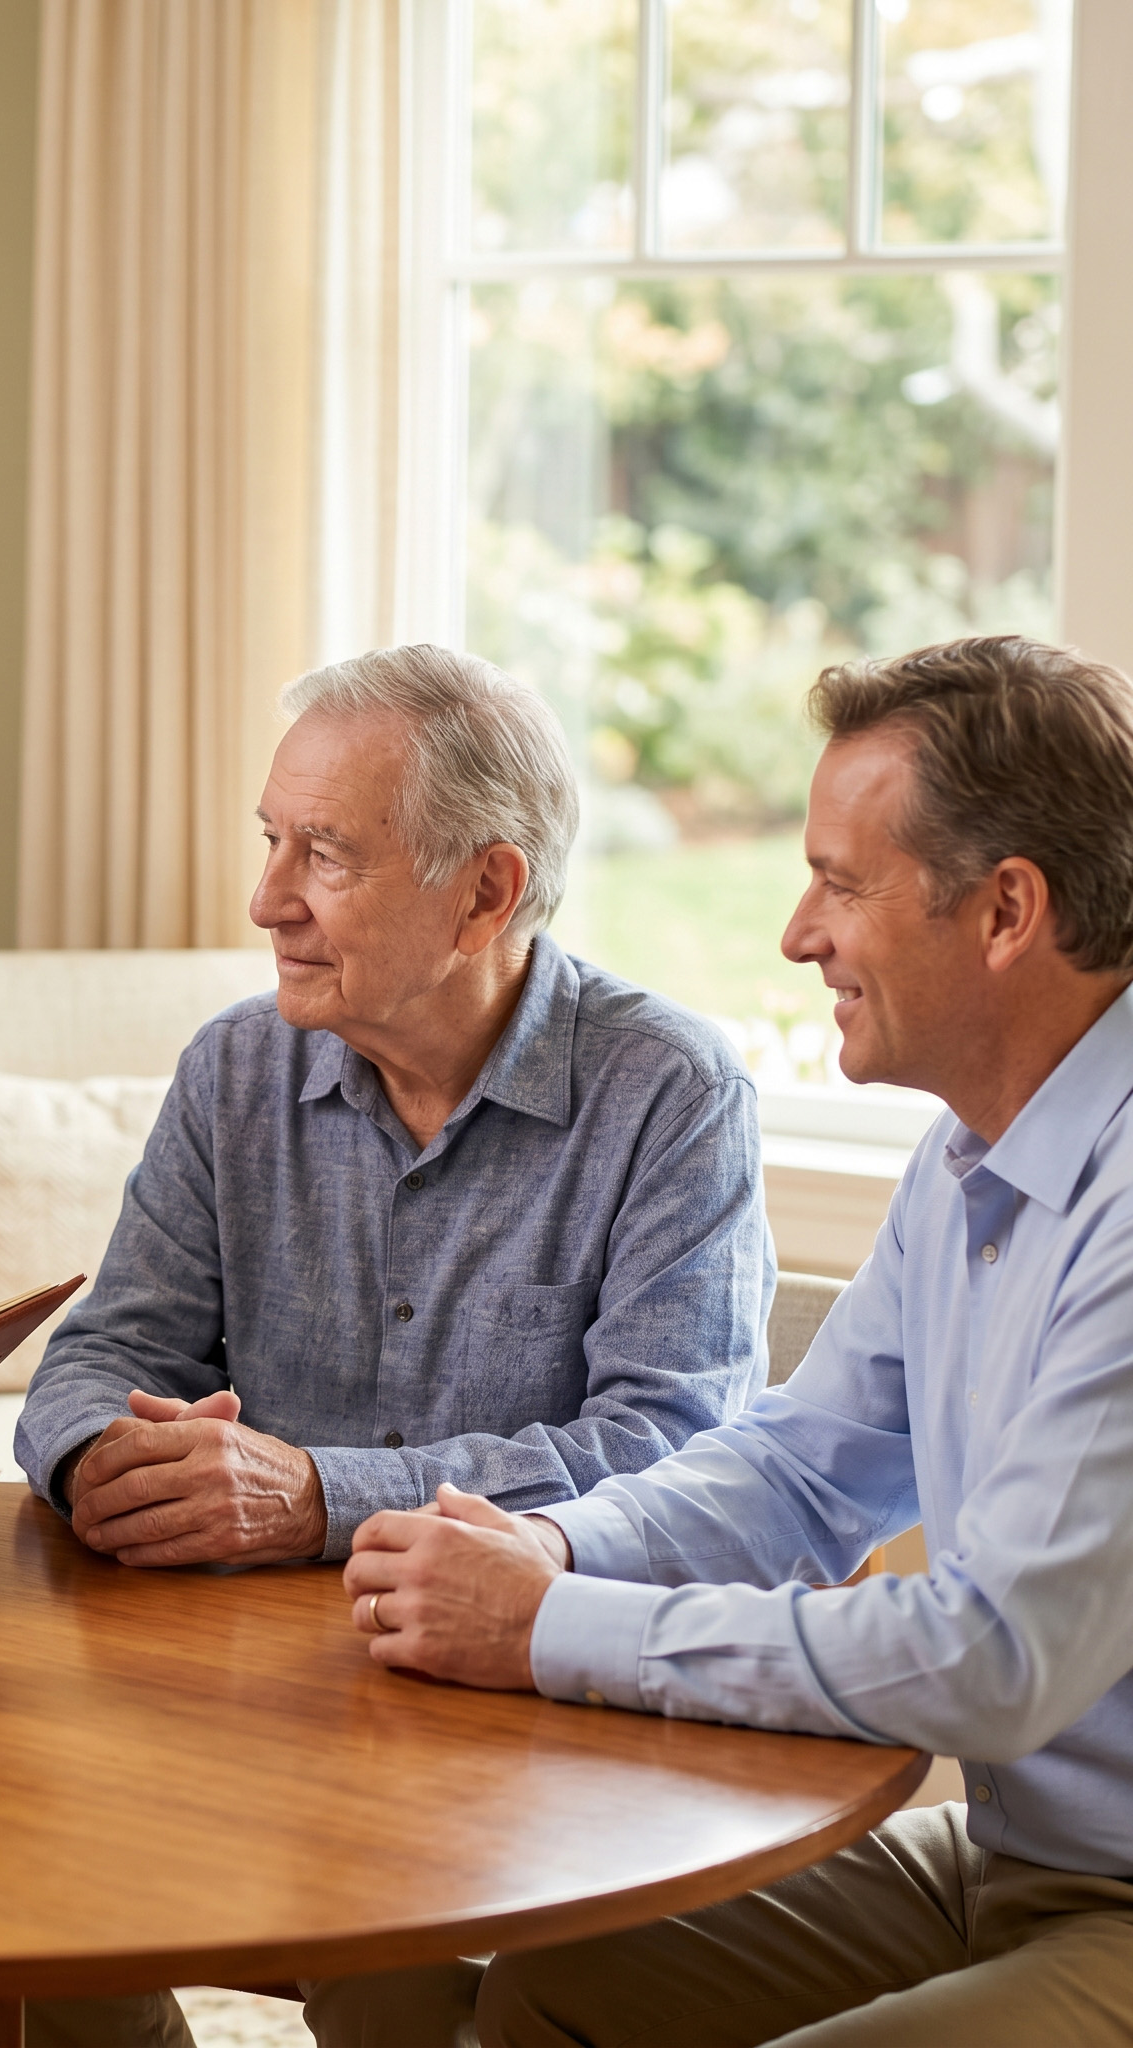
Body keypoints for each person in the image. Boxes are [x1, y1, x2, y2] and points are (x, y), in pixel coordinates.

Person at [334, 635, 1133, 2048]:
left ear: (1006, 909)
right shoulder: (968, 1159)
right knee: (545, 1988)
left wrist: (547, 1629)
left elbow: (995, 1655)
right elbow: (798, 1471)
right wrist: (555, 1549)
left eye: (840, 881)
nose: (796, 932)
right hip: (1016, 1858)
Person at [16, 645, 773, 2048]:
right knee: (15, 1883)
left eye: (324, 855)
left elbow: (673, 1449)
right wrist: (97, 1455)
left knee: (392, 1972)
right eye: (269, 840)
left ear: (485, 891)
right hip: (242, 1675)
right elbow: (101, 1349)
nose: (266, 899)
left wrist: (318, 1495)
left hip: (520, 1691)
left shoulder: (668, 1090)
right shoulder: (235, 1067)